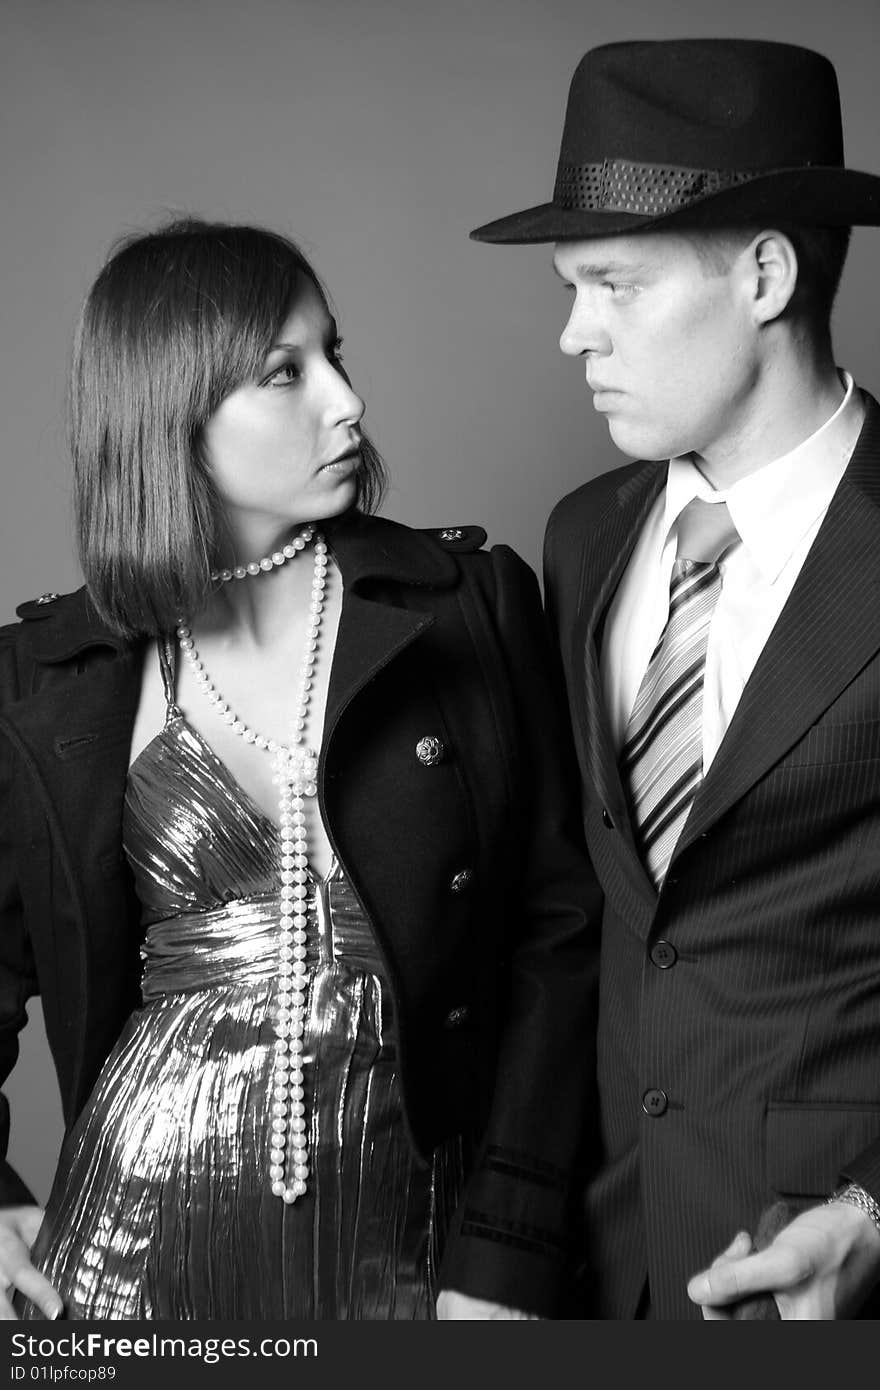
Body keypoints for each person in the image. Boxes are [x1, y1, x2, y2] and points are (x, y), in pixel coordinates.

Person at [0, 218, 599, 1320]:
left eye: (337, 354)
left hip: (424, 1221)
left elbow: (556, 936)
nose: (345, 400)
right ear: (168, 413)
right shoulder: (48, 677)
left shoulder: (470, 605)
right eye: (285, 372)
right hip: (131, 1230)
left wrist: (510, 1243)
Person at [470, 38, 880, 1319]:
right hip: (604, 1266)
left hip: (818, 1269)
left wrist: (873, 1216)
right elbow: (584, 923)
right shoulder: (583, 536)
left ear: (764, 274)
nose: (569, 333)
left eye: (612, 285)